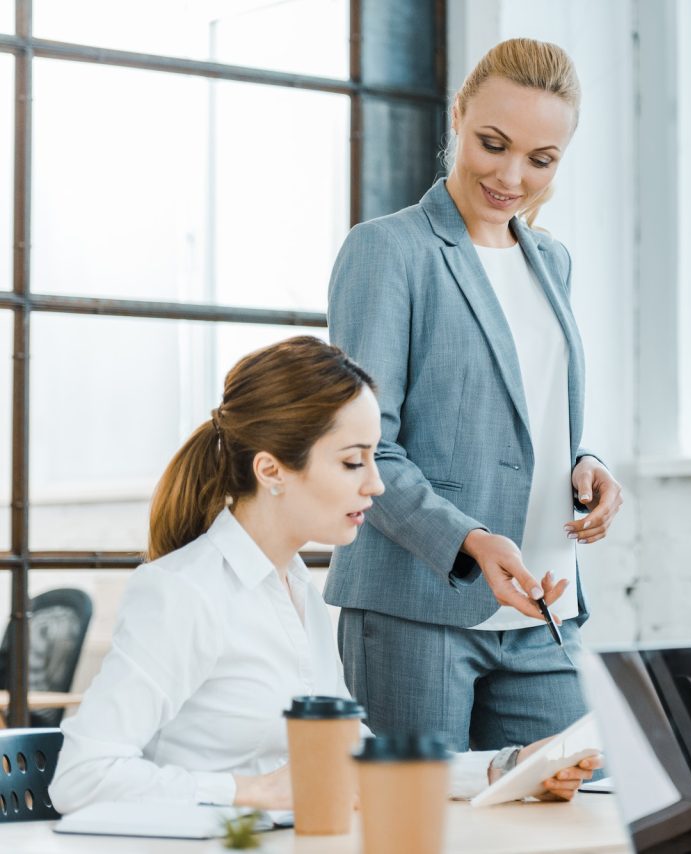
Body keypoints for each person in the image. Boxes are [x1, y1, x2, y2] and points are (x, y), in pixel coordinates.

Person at [49, 336, 600, 814]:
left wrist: (506, 768)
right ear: (271, 470)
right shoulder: (182, 592)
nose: (377, 485)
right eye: (352, 461)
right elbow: (83, 777)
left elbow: (348, 757)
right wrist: (249, 792)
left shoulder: (297, 591)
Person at [324, 37, 623, 750]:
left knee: (560, 823)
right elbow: (362, 447)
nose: (512, 176)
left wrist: (584, 463)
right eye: (494, 143)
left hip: (544, 610)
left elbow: (528, 415)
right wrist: (468, 540)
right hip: (415, 606)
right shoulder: (389, 251)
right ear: (458, 115)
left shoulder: (553, 261)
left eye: (541, 160)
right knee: (420, 831)